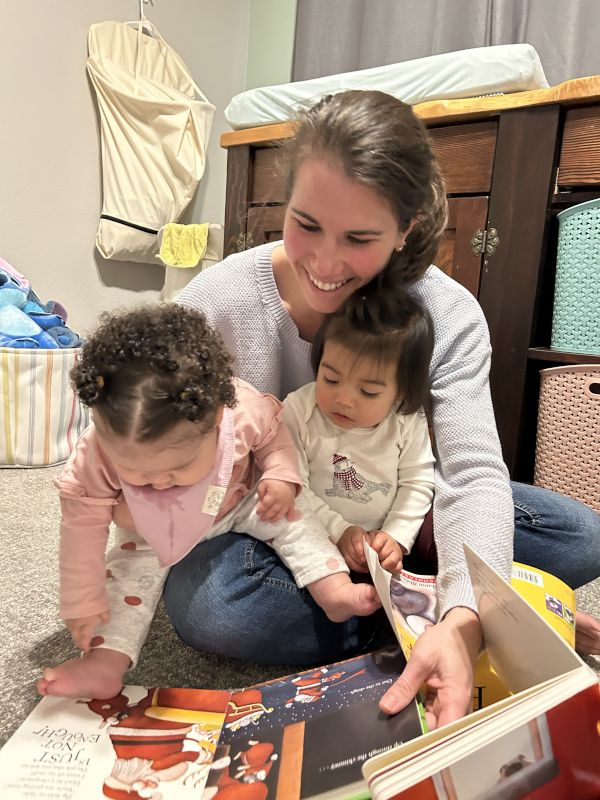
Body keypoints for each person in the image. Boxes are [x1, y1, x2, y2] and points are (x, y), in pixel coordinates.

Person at [161, 89, 599, 729]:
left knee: (582, 538)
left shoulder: (446, 315)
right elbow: (136, 441)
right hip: (279, 524)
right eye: (305, 223)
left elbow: (469, 471)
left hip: (401, 501)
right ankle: (413, 613)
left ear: (408, 228)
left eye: (360, 238)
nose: (326, 263)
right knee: (212, 609)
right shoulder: (218, 302)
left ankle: (416, 600)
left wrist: (466, 618)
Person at [38, 304, 388, 700]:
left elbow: (275, 435)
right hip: (151, 527)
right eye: (136, 473)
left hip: (240, 500)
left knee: (293, 516)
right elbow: (81, 527)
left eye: (178, 469)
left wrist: (280, 474)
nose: (159, 483)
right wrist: (82, 599)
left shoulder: (241, 411)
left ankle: (334, 588)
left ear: (218, 420)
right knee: (122, 577)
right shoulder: (96, 454)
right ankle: (104, 664)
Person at [283, 279, 435, 577]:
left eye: (368, 392)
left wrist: (396, 536)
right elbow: (293, 486)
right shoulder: (299, 409)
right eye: (330, 379)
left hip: (382, 546)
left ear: (400, 392)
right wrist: (339, 531)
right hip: (313, 542)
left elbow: (417, 483)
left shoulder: (405, 418)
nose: (343, 400)